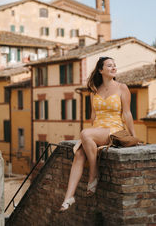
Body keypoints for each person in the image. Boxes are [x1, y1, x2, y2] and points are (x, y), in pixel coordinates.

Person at [59, 56, 136, 211]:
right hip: (97, 131)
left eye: (115, 65)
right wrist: (91, 136)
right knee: (79, 154)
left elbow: (127, 114)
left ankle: (94, 173)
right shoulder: (94, 91)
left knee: (85, 134)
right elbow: (93, 117)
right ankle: (68, 197)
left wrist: (133, 136)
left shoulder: (122, 88)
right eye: (109, 65)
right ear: (101, 70)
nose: (114, 68)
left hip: (114, 129)